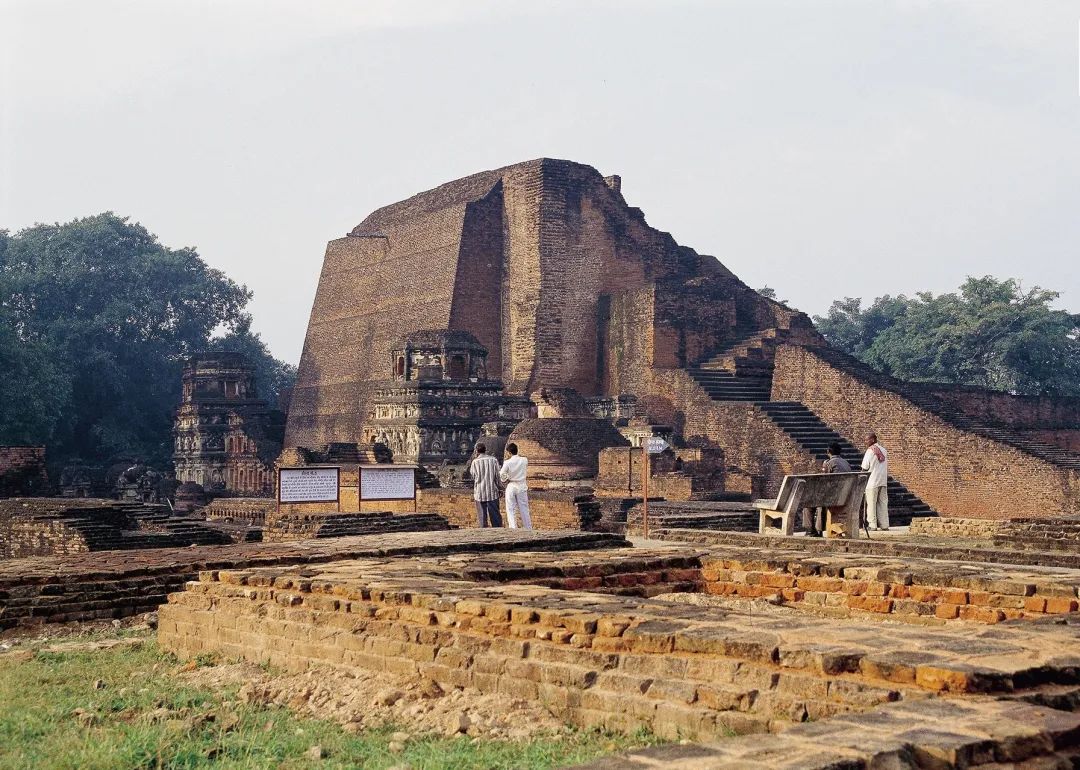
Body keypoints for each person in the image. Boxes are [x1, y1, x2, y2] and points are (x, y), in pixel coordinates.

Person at [804, 442, 852, 537]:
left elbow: (823, 481)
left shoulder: (830, 463)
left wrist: (824, 467)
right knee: (821, 503)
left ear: (828, 451)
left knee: (808, 504)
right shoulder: (846, 463)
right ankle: (818, 530)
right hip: (846, 497)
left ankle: (811, 531)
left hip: (834, 498)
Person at [499, 442, 532, 530]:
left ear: (509, 453)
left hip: (512, 485)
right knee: (524, 508)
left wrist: (506, 479)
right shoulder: (524, 460)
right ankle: (528, 528)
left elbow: (502, 474)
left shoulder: (507, 462)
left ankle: (513, 528)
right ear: (517, 450)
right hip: (521, 485)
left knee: (511, 509)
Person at [469, 443, 502, 528]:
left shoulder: (475, 462)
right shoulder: (493, 460)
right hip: (492, 492)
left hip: (479, 492)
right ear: (485, 450)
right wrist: (500, 488)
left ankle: (483, 532)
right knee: (495, 516)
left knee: (482, 517)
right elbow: (497, 476)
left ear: (476, 451)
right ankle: (497, 531)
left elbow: (473, 476)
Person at [861, 432, 889, 531]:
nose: (865, 442)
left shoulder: (870, 451)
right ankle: (884, 524)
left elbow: (865, 467)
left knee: (871, 504)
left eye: (867, 439)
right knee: (883, 503)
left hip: (872, 482)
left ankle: (872, 525)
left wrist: (861, 478)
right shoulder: (884, 450)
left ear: (873, 439)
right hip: (882, 480)